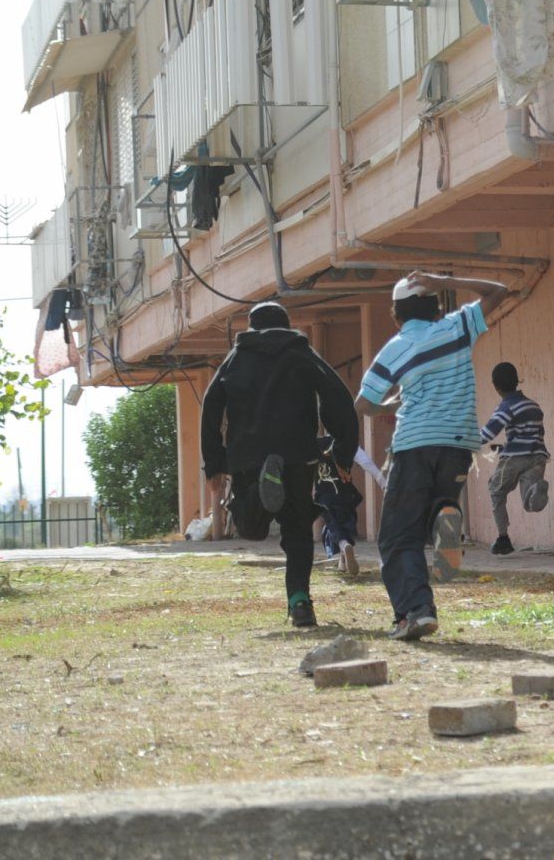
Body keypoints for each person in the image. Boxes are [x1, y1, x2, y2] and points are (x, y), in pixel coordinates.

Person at [356, 270, 509, 641]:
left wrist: (394, 403)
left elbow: (364, 403)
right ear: (436, 307)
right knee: (429, 514)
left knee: (397, 536)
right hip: (459, 445)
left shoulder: (396, 347)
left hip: (414, 445)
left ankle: (416, 612)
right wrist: (447, 281)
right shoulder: (457, 328)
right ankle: (445, 509)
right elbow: (498, 290)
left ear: (396, 316)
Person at [201, 301, 359, 627]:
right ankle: (300, 602)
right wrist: (343, 450)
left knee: (250, 528)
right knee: (298, 531)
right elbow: (337, 395)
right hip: (298, 454)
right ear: (286, 326)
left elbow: (211, 405)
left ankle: (262, 494)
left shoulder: (237, 358)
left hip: (248, 456)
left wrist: (214, 461)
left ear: (252, 326)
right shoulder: (300, 353)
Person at [480, 361, 550, 554]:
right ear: (516, 380)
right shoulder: (533, 405)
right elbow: (532, 433)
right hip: (538, 456)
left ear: (496, 386)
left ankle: (503, 539)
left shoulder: (507, 406)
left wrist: (468, 442)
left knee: (496, 490)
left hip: (514, 458)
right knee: (529, 501)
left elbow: (490, 431)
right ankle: (536, 489)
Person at [313, 435, 388, 577]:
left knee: (332, 526)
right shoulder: (347, 443)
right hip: (345, 494)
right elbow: (367, 463)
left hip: (325, 495)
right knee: (345, 523)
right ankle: (343, 563)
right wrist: (383, 483)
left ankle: (344, 546)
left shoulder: (315, 445)